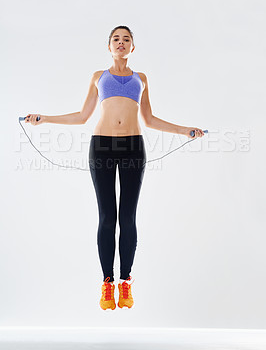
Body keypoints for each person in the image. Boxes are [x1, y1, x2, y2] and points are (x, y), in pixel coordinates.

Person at [25, 25, 205, 311]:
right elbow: (82, 116)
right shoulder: (99, 77)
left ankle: (126, 282)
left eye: (126, 40)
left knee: (128, 217)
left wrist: (185, 130)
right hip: (102, 146)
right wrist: (44, 119)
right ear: (109, 47)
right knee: (108, 216)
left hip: (133, 147)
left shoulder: (141, 79)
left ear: (133, 48)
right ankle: (107, 283)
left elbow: (148, 118)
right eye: (116, 39)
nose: (121, 43)